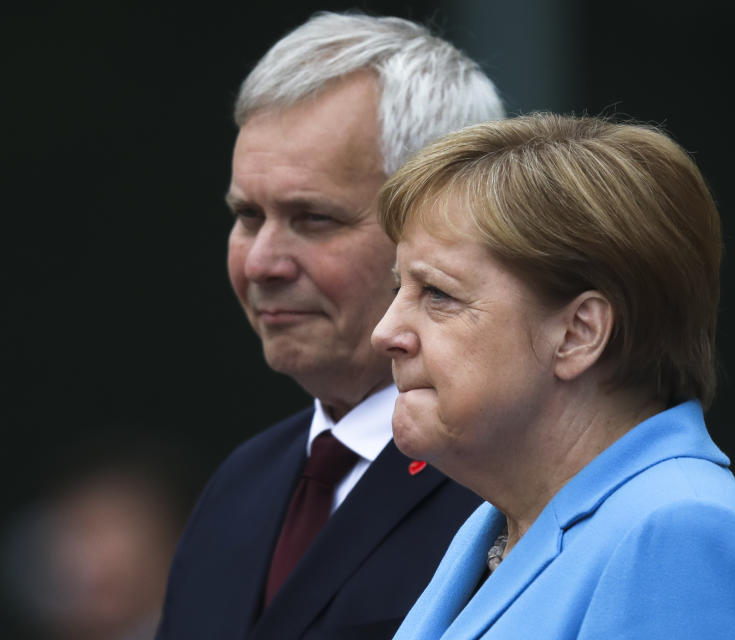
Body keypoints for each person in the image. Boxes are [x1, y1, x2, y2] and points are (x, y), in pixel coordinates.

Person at [371, 113, 735, 638]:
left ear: (580, 333)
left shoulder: (682, 533)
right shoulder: (499, 525)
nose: (386, 331)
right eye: (400, 289)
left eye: (437, 293)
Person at [156, 12, 503, 640]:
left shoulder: (511, 488)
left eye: (313, 218)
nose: (262, 262)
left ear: (439, 230)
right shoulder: (240, 487)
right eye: (246, 215)